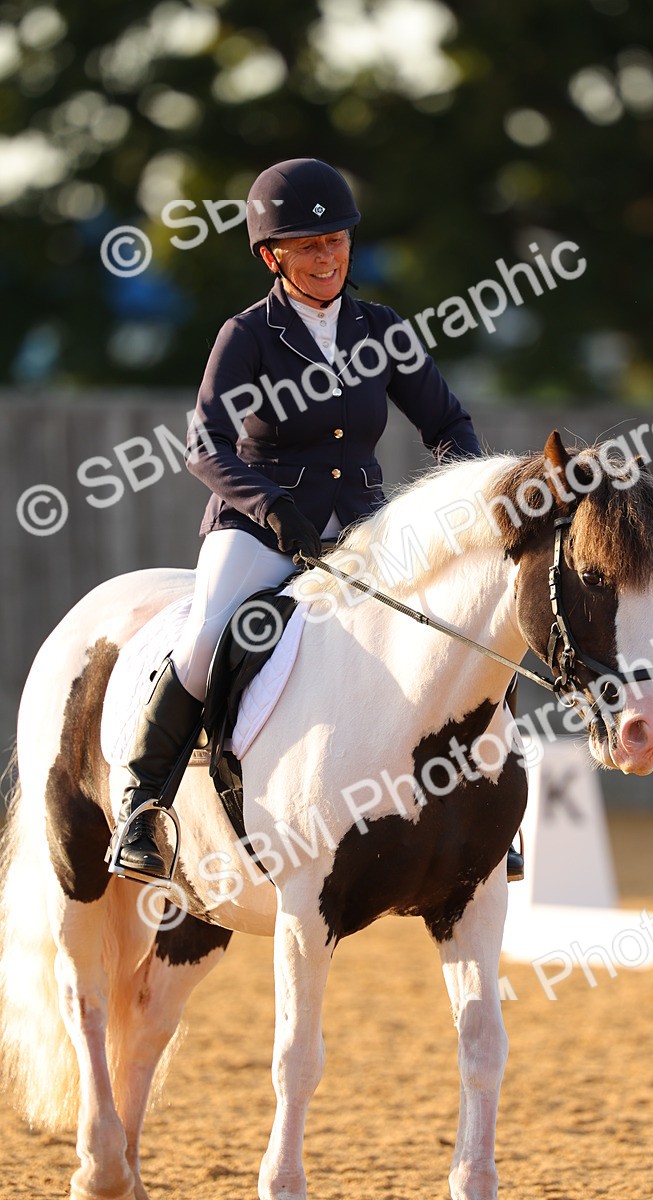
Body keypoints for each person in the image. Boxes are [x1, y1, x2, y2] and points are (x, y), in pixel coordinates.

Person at [107, 157, 523, 884]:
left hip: (365, 528)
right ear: (274, 256)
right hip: (260, 523)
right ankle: (144, 806)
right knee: (207, 636)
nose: (327, 257)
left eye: (336, 241)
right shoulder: (249, 335)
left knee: (472, 623)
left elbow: (447, 423)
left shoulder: (382, 329)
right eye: (308, 246)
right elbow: (202, 442)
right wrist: (269, 506)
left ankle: (489, 807)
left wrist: (471, 501)